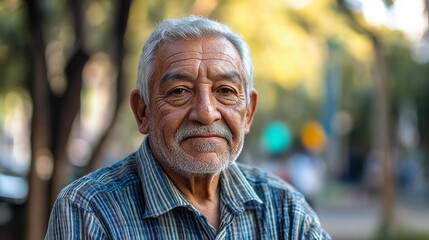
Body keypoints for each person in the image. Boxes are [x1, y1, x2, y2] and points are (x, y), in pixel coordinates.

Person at [45, 15, 331, 239]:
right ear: (142, 111)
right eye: (179, 91)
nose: (206, 114)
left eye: (226, 91)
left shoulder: (284, 208)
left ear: (248, 113)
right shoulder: (89, 210)